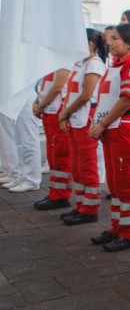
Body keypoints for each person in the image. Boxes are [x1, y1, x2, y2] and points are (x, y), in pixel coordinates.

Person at [89, 24, 130, 251]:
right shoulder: (116, 65)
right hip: (112, 128)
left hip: (124, 128)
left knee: (127, 181)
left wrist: (102, 123)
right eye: (109, 38)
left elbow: (127, 99)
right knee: (115, 181)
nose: (109, 42)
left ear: (129, 43)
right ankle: (117, 226)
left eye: (115, 38)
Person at [57, 30, 107, 225]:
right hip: (76, 118)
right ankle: (80, 205)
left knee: (87, 164)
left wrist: (66, 112)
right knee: (77, 164)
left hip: (85, 118)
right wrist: (67, 113)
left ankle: (90, 208)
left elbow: (87, 94)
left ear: (92, 44)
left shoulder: (94, 64)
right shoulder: (80, 64)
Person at [32, 68, 73, 208]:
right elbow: (45, 86)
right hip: (49, 111)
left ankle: (61, 195)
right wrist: (37, 102)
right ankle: (55, 192)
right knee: (52, 154)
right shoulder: (51, 61)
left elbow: (58, 87)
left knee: (60, 154)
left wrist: (41, 105)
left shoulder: (65, 62)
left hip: (57, 111)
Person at [0, 91, 42, 193]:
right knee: (17, 139)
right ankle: (18, 174)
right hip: (14, 95)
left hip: (25, 95)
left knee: (28, 140)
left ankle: (32, 180)